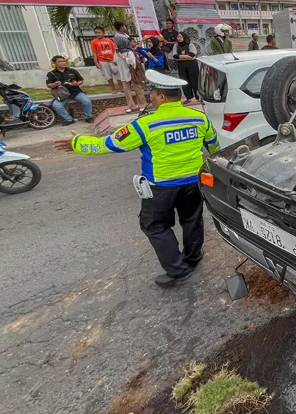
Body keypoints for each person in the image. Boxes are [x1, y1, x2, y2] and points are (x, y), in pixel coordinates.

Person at [54, 70, 220, 286]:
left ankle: (177, 270)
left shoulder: (145, 124)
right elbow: (214, 145)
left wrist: (78, 143)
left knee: (154, 225)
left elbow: (110, 144)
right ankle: (193, 258)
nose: (149, 96)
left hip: (161, 186)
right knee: (191, 220)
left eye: (152, 92)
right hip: (194, 182)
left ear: (161, 97)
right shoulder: (199, 117)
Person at [46, 56, 93, 125]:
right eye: (60, 61)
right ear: (55, 63)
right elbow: (49, 85)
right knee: (56, 105)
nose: (63, 63)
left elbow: (81, 81)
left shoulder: (72, 71)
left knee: (87, 101)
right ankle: (69, 119)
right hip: (62, 95)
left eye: (64, 61)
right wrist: (54, 84)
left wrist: (76, 84)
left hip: (75, 92)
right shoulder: (51, 74)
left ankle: (88, 117)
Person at [112, 22, 146, 112]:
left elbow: (132, 62)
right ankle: (131, 105)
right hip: (123, 73)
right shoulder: (116, 52)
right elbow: (115, 62)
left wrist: (123, 57)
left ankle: (142, 104)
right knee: (126, 90)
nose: (115, 45)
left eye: (116, 43)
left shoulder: (129, 52)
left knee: (137, 89)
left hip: (132, 73)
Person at [173, 32, 200, 103]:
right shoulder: (176, 46)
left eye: (181, 37)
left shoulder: (190, 45)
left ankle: (198, 96)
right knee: (184, 81)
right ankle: (189, 97)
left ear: (184, 37)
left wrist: (180, 57)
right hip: (181, 65)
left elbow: (192, 55)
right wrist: (185, 56)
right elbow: (175, 55)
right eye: (178, 37)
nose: (179, 38)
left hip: (192, 64)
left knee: (194, 81)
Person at [90, 26, 118, 93]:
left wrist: (115, 60)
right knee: (108, 76)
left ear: (103, 33)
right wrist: (96, 62)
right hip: (103, 61)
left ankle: (122, 88)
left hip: (112, 60)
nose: (97, 34)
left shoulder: (109, 40)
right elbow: (94, 52)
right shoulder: (93, 42)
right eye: (95, 33)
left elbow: (114, 50)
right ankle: (113, 89)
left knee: (118, 74)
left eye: (99, 32)